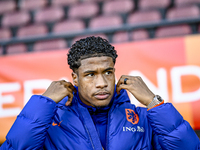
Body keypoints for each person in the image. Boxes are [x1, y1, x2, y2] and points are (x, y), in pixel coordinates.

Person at [1, 36, 200, 150]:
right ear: (75, 78)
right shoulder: (51, 122)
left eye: (108, 72)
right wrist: (42, 103)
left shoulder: (144, 118)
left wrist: (154, 103)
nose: (102, 83)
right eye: (90, 75)